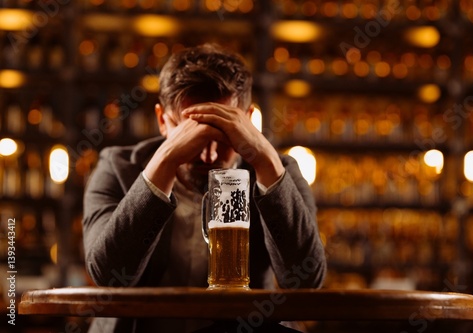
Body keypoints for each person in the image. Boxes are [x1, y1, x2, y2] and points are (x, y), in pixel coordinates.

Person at [82, 43, 327, 333]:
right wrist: (166, 161)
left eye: (223, 134)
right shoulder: (117, 167)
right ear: (162, 120)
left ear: (248, 119)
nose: (208, 155)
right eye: (193, 133)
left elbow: (306, 281)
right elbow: (109, 277)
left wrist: (264, 158)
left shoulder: (277, 170)